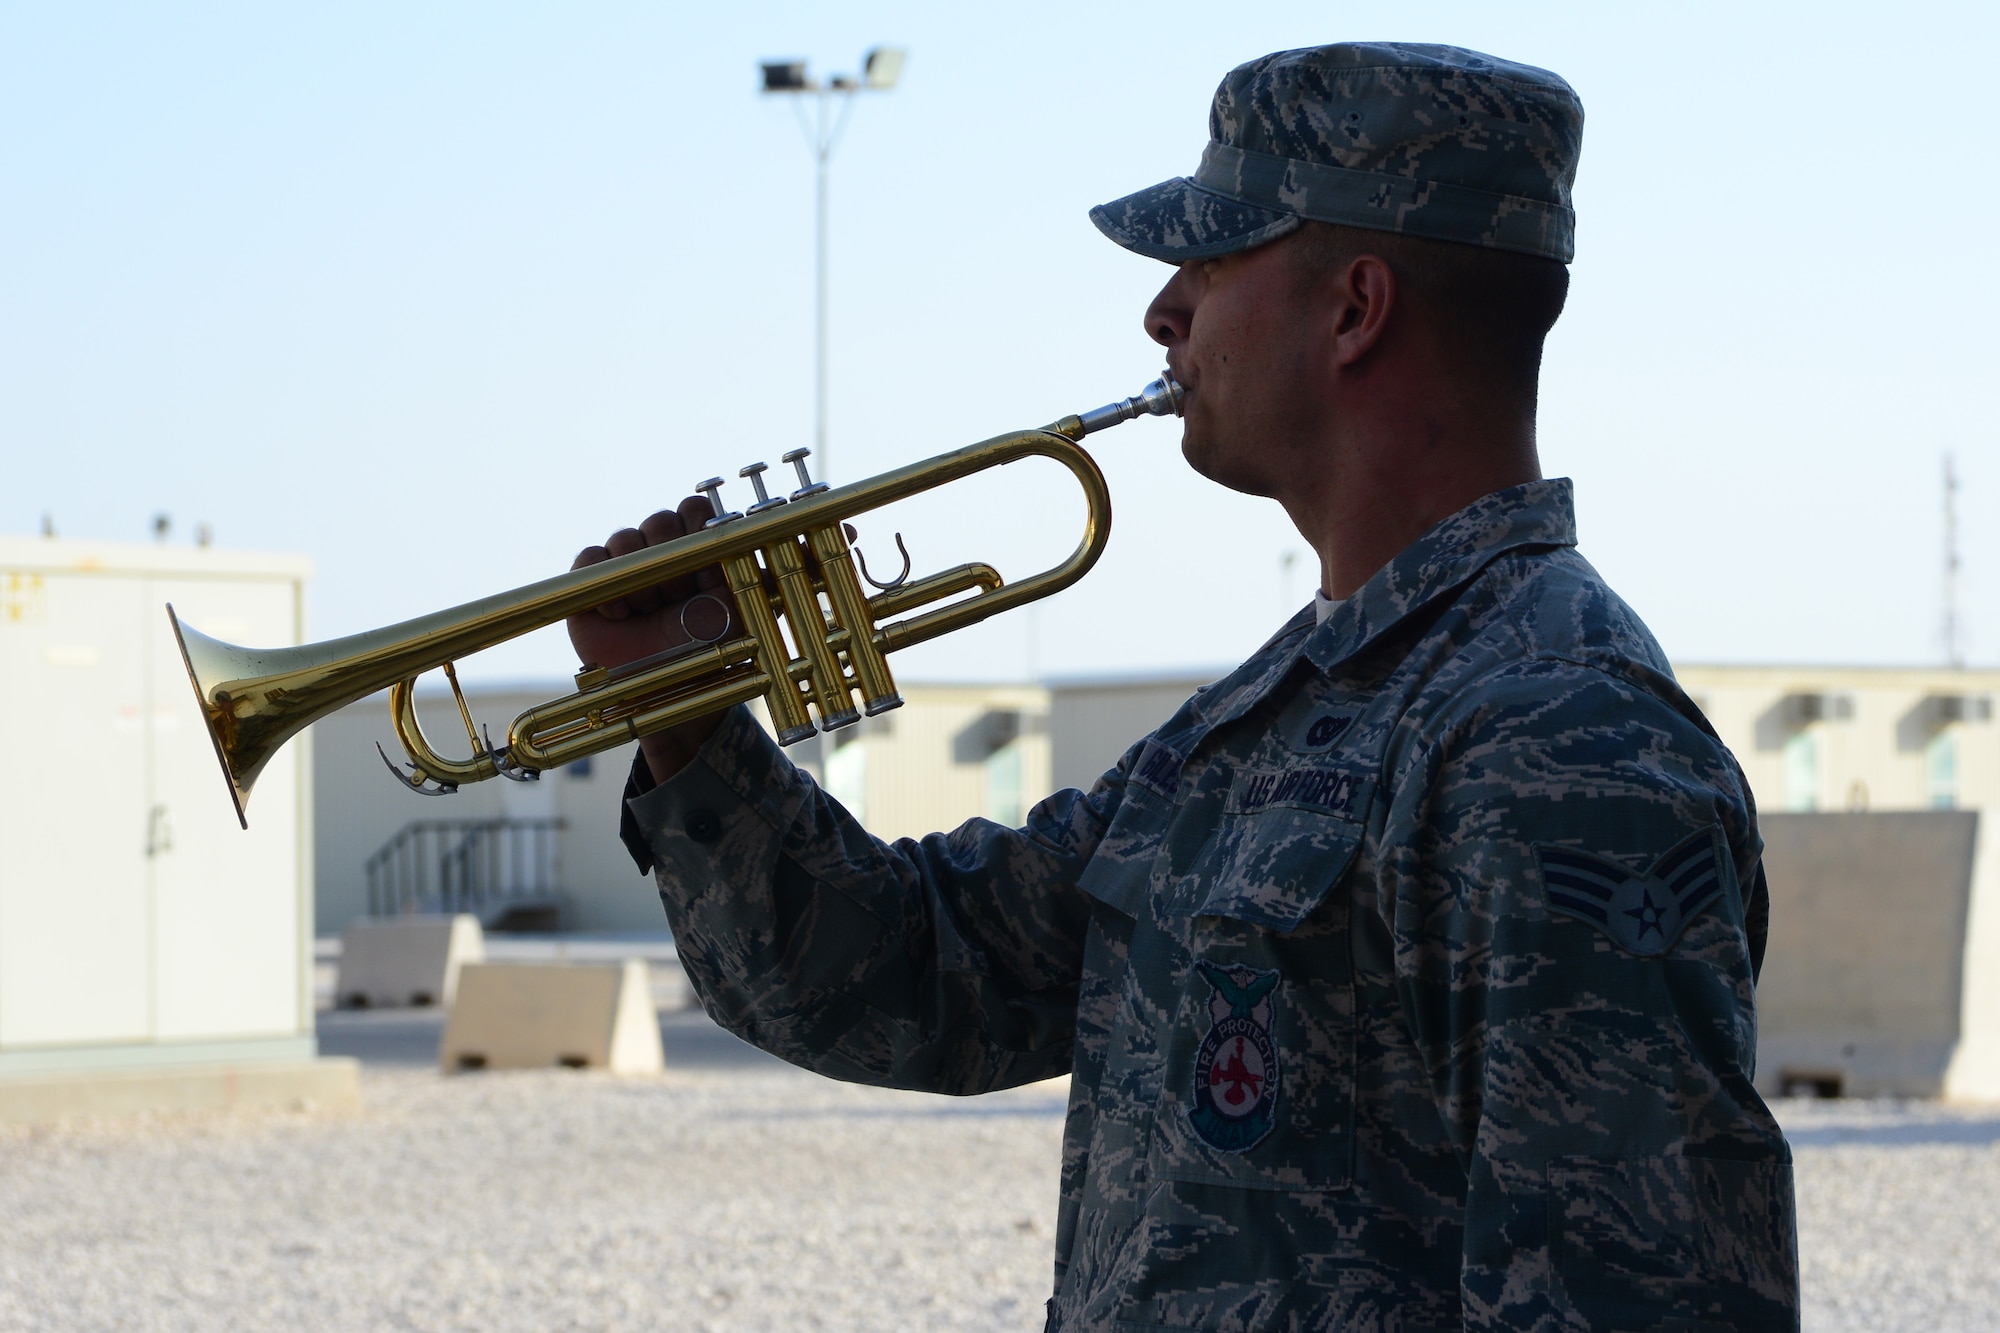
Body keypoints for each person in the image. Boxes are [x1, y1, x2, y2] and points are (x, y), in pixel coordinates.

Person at [569, 42, 1799, 1332]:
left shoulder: (1559, 735)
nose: (1166, 312)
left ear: (1354, 308)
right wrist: (681, 714)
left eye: (1211, 262)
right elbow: (916, 979)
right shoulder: (1272, 716)